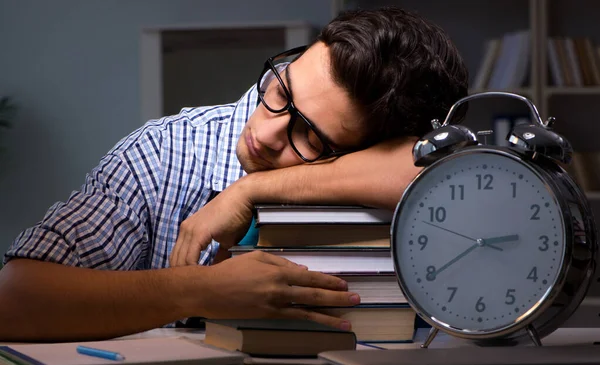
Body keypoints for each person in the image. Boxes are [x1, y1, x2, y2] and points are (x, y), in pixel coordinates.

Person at [0, 6, 468, 342]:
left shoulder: (398, 165)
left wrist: (253, 188)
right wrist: (194, 291)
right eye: (281, 92)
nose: (265, 133)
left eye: (308, 137)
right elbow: (16, 298)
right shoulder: (165, 150)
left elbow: (456, 169)